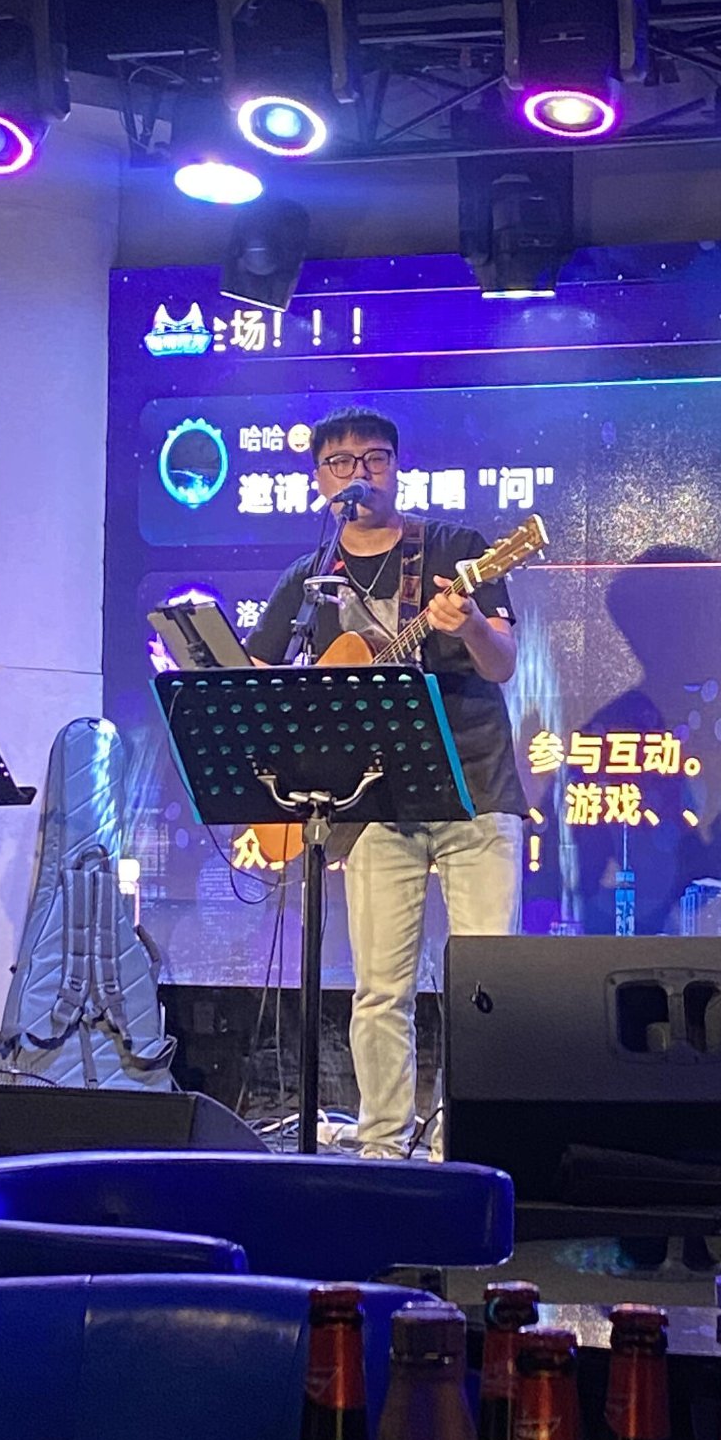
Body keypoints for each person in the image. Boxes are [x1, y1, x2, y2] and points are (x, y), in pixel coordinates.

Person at [246, 409, 527, 1157]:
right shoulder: (311, 579)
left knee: (485, 989)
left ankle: (470, 1145)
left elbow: (502, 661)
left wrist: (467, 626)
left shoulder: (457, 549)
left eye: (373, 459)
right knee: (379, 991)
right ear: (319, 479)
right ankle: (381, 1147)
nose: (359, 474)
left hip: (474, 788)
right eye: (340, 463)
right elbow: (259, 679)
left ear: (396, 467)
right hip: (374, 802)